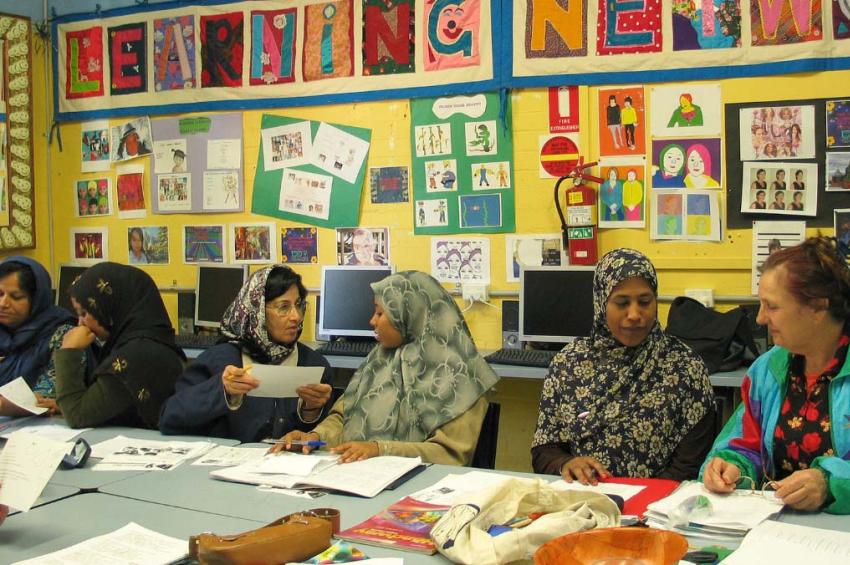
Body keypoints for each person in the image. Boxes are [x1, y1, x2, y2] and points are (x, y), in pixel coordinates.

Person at [276, 271, 499, 465]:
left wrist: (380, 450)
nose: (372, 321)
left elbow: (449, 455)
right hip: (359, 477)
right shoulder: (378, 361)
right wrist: (313, 437)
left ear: (408, 316)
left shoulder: (460, 376)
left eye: (380, 313)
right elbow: (342, 420)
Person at [531, 249, 715, 482]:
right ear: (601, 303)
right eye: (622, 303)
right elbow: (544, 450)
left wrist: (641, 504)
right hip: (586, 501)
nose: (635, 314)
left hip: (658, 509)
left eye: (645, 302)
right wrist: (566, 464)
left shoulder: (685, 368)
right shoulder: (568, 364)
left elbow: (690, 466)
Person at [702, 237, 850, 513]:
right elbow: (743, 442)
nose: (759, 319)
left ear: (817, 307)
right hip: (778, 531)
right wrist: (731, 464)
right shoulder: (768, 370)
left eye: (772, 306)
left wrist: (830, 483)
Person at [159, 266, 333, 442]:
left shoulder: (313, 364)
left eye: (299, 305)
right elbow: (169, 417)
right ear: (256, 311)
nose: (295, 316)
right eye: (283, 307)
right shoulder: (220, 360)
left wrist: (311, 411)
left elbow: (327, 436)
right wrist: (222, 390)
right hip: (229, 463)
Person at [54, 263, 185, 428]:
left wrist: (68, 351)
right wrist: (65, 404)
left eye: (84, 313)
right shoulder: (144, 341)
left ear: (108, 306)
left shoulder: (137, 355)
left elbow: (77, 416)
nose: (80, 323)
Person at [0, 258, 82, 416]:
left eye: (16, 296)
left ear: (36, 299)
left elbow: (48, 399)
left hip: (41, 432)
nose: (3, 303)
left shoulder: (62, 333)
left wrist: (5, 405)